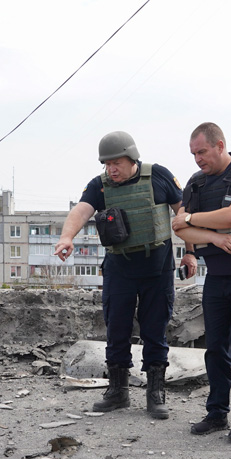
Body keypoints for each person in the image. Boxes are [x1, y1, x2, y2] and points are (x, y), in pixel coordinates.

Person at [56, 131, 183, 419]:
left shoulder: (158, 176)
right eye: (107, 164)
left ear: (132, 158)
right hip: (119, 268)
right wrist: (66, 237)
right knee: (116, 330)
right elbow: (81, 211)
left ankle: (155, 393)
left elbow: (184, 212)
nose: (111, 169)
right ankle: (118, 392)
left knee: (155, 331)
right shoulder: (99, 186)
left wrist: (190, 251)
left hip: (157, 269)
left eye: (117, 163)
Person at [171, 122, 231, 443]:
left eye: (202, 151)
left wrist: (190, 219)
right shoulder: (197, 183)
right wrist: (212, 236)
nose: (198, 159)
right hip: (217, 276)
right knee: (214, 348)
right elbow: (179, 229)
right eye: (193, 154)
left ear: (219, 145)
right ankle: (216, 413)